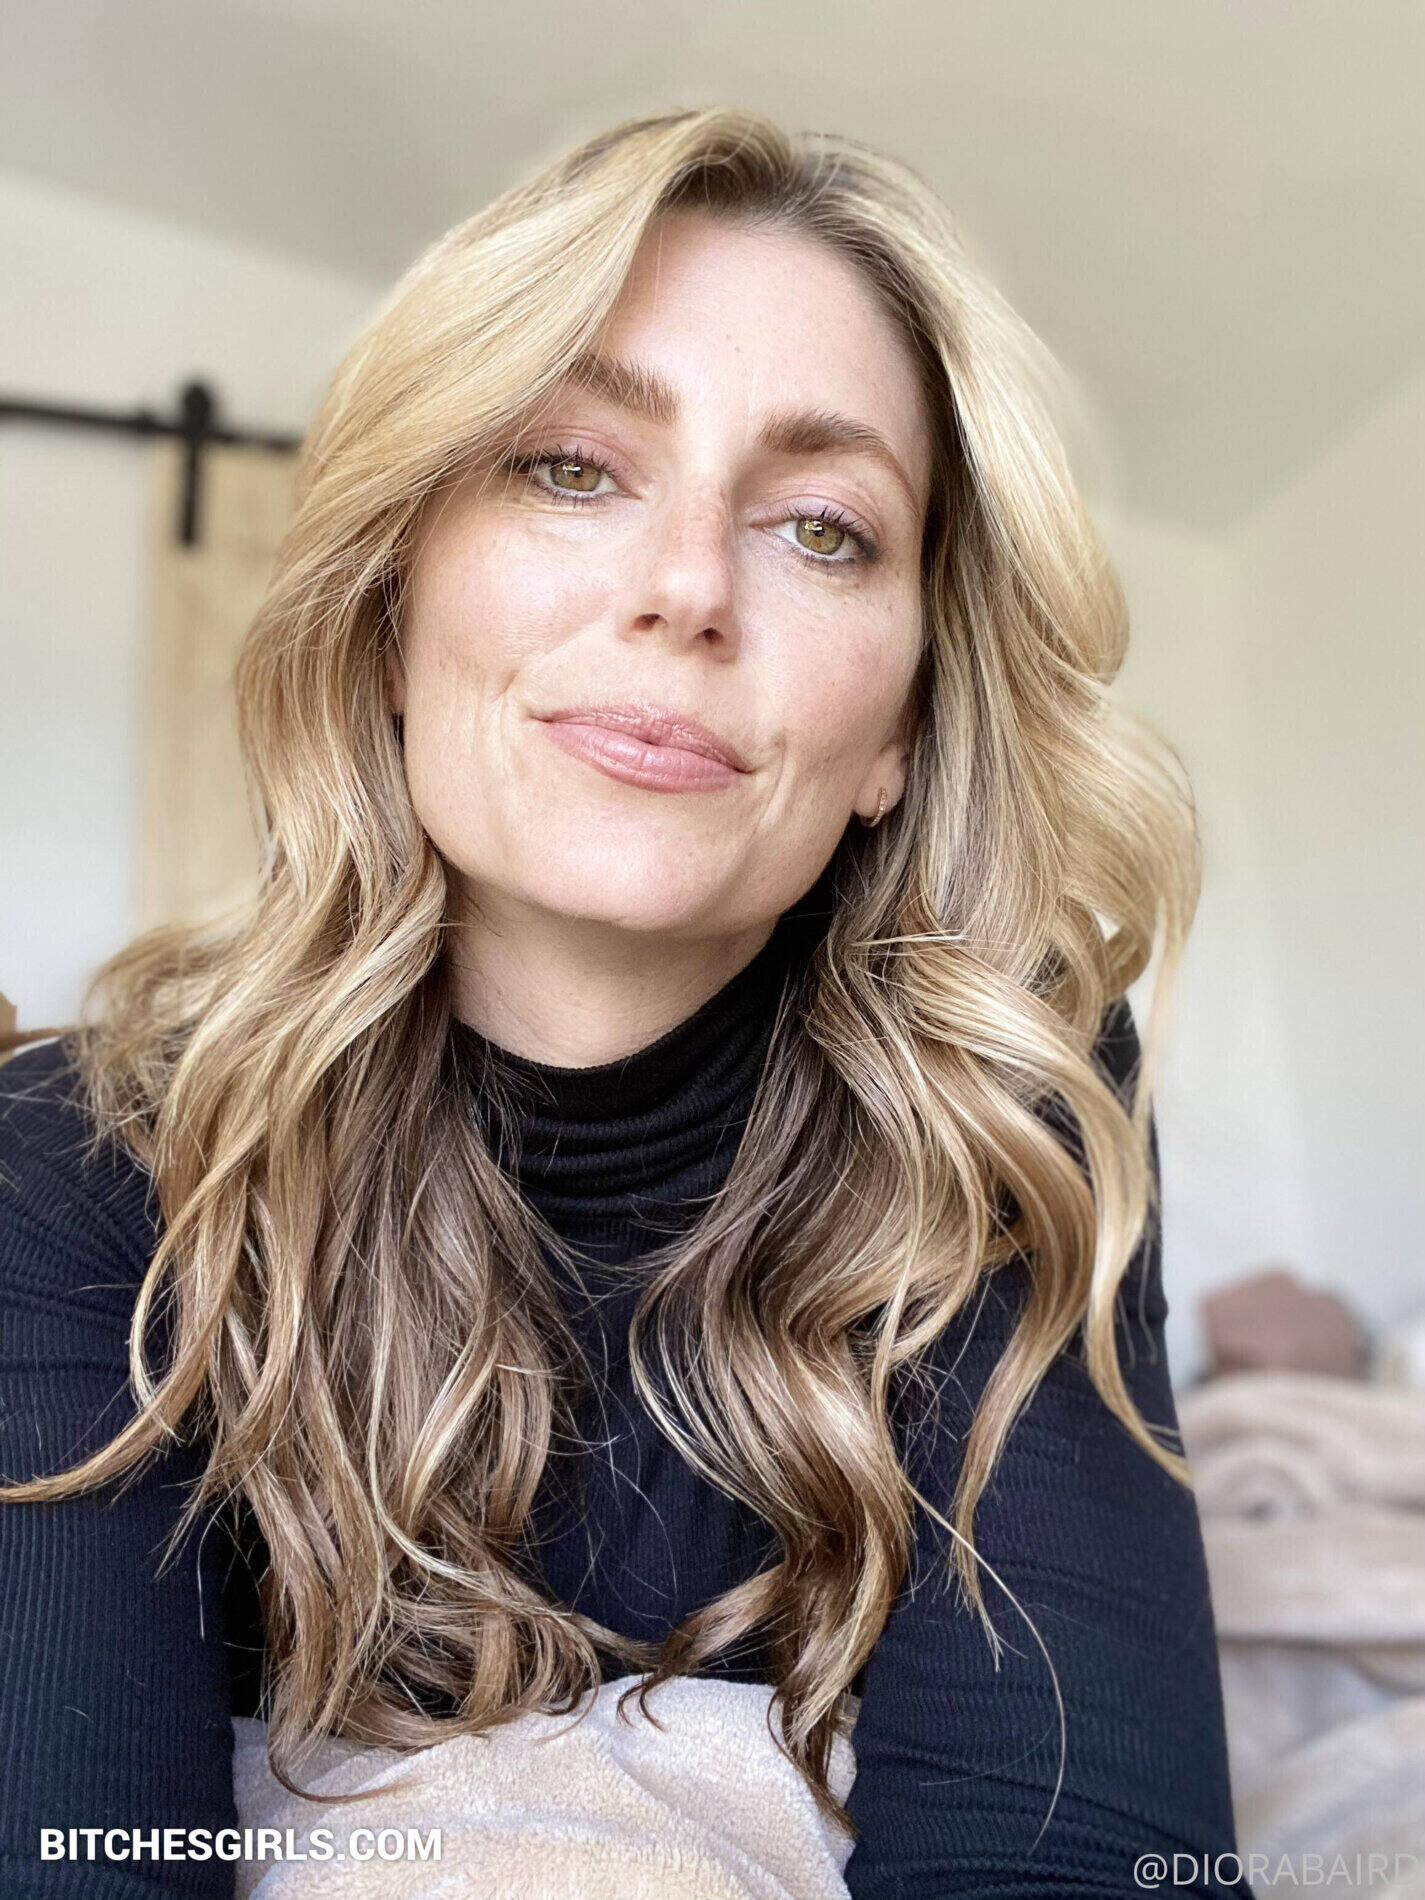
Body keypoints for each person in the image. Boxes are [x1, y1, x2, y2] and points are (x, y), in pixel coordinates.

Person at [0, 108, 1249, 1897]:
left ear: (898, 733)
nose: (686, 589)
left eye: (822, 528)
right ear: (392, 598)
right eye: (572, 469)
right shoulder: (68, 1157)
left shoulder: (1004, 1107)